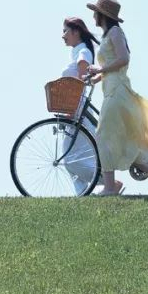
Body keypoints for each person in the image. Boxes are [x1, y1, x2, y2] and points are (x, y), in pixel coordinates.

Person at [85, 0, 148, 196]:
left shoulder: (115, 32)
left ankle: (111, 187)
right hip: (111, 90)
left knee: (103, 136)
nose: (93, 15)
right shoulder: (108, 35)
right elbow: (113, 66)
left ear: (102, 15)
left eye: (95, 12)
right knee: (125, 140)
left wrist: (100, 68)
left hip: (117, 92)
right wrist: (95, 77)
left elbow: (123, 59)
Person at [59, 17, 101, 195]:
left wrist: (72, 104)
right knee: (71, 157)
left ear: (76, 32)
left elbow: (83, 73)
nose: (63, 36)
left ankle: (107, 180)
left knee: (70, 158)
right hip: (75, 108)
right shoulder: (78, 51)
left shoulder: (82, 51)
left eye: (65, 31)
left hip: (77, 109)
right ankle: (86, 192)